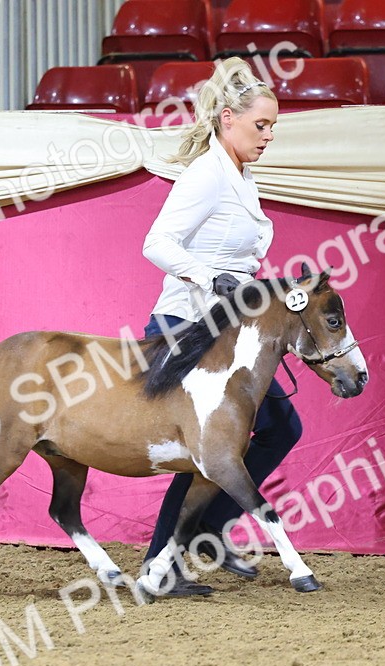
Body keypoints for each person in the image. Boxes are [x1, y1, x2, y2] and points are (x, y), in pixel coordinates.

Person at [139, 57, 303, 597]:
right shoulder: (207, 174)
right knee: (203, 453)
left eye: (273, 126)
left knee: (282, 426)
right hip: (187, 324)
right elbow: (156, 243)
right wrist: (213, 278)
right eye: (262, 125)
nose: (269, 135)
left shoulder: (240, 175)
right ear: (227, 118)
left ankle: (207, 531)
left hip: (229, 332)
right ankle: (161, 568)